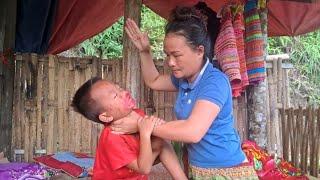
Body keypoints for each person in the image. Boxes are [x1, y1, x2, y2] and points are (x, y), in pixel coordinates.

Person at [111, 6, 258, 179]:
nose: (171, 62)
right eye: (167, 55)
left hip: (226, 171)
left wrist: (141, 125)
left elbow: (192, 132)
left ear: (199, 51)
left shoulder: (214, 82)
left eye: (177, 55)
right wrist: (145, 51)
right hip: (199, 169)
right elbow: (154, 81)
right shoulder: (185, 79)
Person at [71, 77, 187, 180]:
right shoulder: (112, 138)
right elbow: (144, 168)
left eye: (120, 88)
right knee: (158, 143)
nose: (124, 92)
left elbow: (154, 127)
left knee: (162, 143)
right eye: (116, 96)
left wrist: (154, 125)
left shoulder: (136, 114)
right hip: (133, 170)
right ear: (106, 116)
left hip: (134, 172)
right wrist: (145, 134)